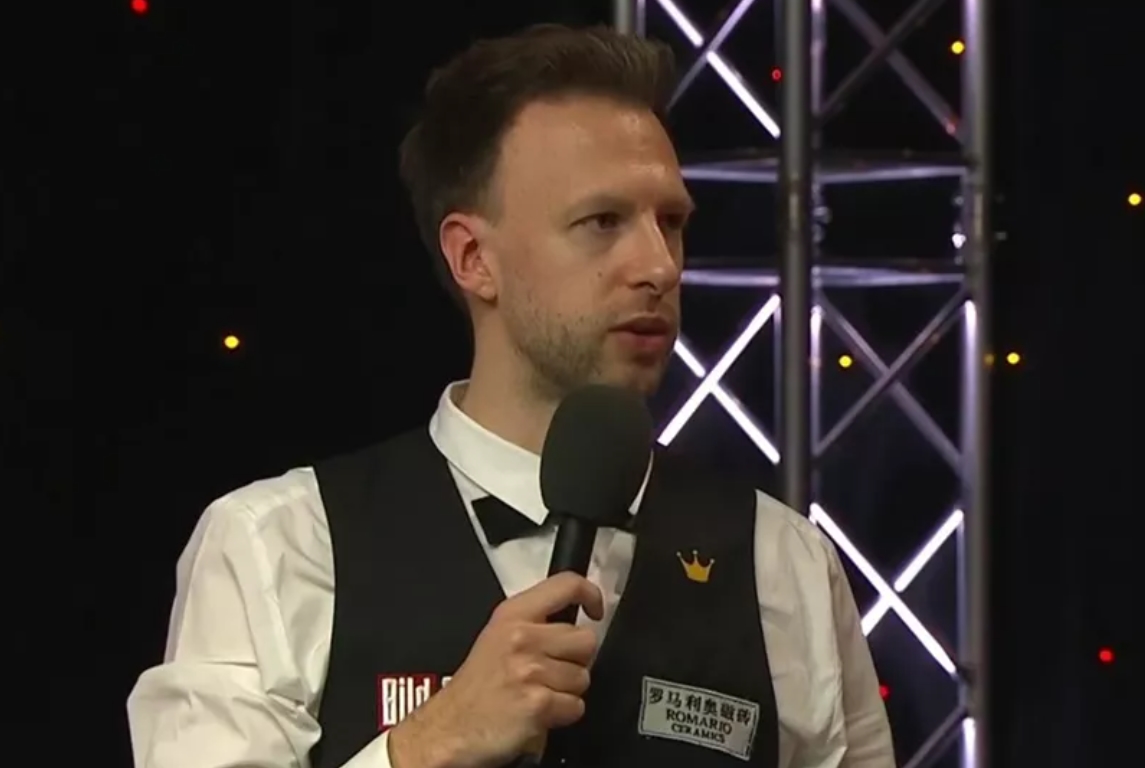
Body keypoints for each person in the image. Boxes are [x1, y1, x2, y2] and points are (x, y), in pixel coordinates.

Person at [127, 23, 895, 768]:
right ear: (472, 258)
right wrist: (426, 746)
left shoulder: (782, 562)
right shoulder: (279, 544)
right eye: (602, 221)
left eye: (671, 222)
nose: (659, 265)